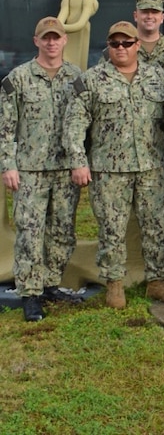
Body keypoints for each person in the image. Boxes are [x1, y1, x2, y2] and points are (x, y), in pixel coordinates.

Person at [65, 20, 164, 309]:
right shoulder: (91, 80)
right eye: (115, 43)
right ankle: (114, 284)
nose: (121, 48)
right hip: (108, 170)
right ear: (109, 46)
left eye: (127, 43)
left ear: (137, 46)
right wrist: (78, 162)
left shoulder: (158, 77)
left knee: (157, 226)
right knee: (112, 229)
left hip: (151, 167)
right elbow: (74, 125)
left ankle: (157, 281)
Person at [0, 17, 83, 322]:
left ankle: (50, 283)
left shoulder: (76, 78)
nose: (51, 43)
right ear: (36, 41)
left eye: (56, 38)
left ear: (64, 41)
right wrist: (8, 166)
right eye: (45, 38)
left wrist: (80, 162)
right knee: (30, 232)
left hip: (64, 169)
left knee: (63, 230)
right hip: (30, 169)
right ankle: (31, 293)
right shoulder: (18, 78)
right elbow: (5, 128)